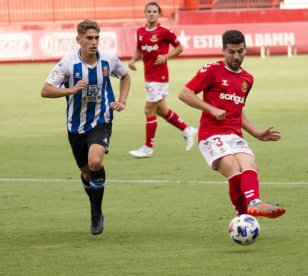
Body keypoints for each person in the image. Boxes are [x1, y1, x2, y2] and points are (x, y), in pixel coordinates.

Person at [179, 30, 286, 219]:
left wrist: (257, 133)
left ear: (245, 50)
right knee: (234, 170)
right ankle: (244, 213)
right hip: (211, 135)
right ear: (223, 51)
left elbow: (238, 109)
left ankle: (252, 206)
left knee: (250, 165)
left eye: (240, 51)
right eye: (231, 52)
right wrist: (211, 109)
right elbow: (185, 94)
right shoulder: (212, 70)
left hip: (234, 134)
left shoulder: (247, 79)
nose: (236, 56)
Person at [41, 20, 131, 235]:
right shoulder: (68, 63)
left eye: (97, 38)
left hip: (102, 118)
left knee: (95, 161)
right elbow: (45, 90)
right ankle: (95, 206)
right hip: (75, 125)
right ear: (78, 39)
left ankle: (95, 213)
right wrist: (70, 90)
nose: (94, 42)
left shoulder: (108, 60)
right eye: (89, 38)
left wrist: (122, 100)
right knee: (85, 173)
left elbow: (126, 75)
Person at [128, 1, 197, 158]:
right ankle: (187, 130)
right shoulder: (140, 31)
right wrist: (133, 60)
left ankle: (148, 147)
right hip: (149, 76)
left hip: (160, 77)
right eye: (149, 11)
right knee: (161, 110)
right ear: (145, 13)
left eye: (154, 11)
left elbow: (180, 48)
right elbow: (140, 49)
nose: (151, 14)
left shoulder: (165, 31)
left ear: (159, 14)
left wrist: (165, 57)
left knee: (148, 110)